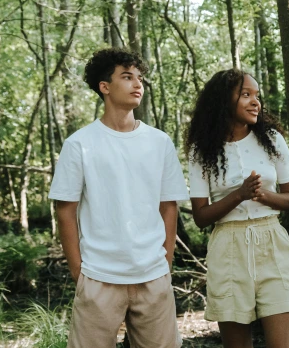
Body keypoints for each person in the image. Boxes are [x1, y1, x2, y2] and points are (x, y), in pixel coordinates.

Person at [49, 48, 189, 348]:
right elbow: (65, 211)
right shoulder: (79, 144)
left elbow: (168, 207)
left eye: (139, 78)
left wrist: (165, 261)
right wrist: (79, 272)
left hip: (153, 275)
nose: (137, 84)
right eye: (127, 77)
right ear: (105, 87)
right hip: (99, 276)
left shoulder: (159, 142)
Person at [185, 69, 289, 348]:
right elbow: (201, 216)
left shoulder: (272, 139)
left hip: (272, 243)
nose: (255, 102)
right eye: (245, 95)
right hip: (228, 248)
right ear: (223, 101)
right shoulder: (201, 151)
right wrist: (239, 194)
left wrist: (263, 195)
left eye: (257, 96)